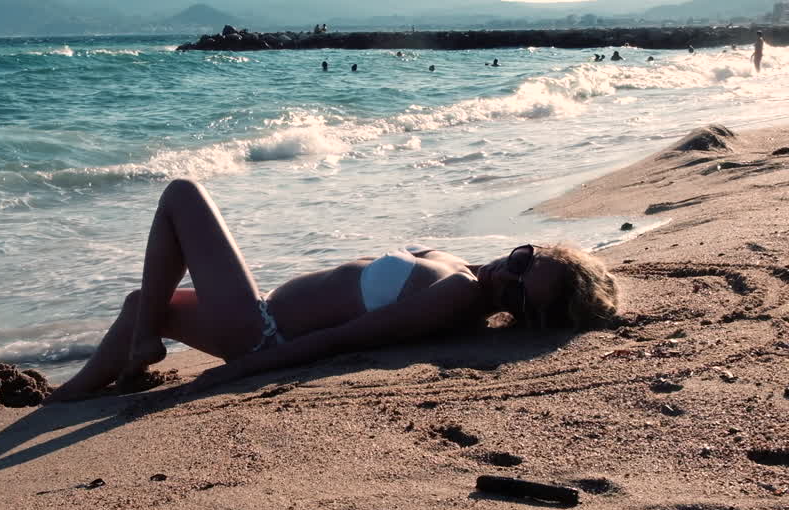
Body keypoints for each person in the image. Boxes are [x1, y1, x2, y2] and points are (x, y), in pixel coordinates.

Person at [47, 179, 619, 402]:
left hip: (261, 332)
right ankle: (75, 394)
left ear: (523, 317)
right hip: (261, 319)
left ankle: (140, 348)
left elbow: (348, 337)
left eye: (519, 294)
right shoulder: (465, 274)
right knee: (146, 303)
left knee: (182, 195)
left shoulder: (461, 297)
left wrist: (237, 372)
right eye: (523, 261)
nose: (506, 276)